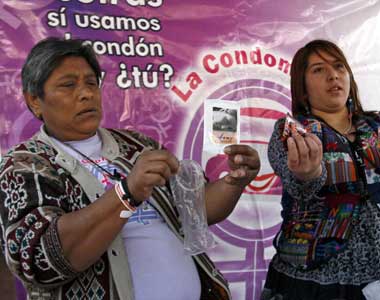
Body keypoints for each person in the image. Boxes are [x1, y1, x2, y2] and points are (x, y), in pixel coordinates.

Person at [0, 37, 261, 300]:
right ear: (34, 100)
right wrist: (127, 194)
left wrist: (233, 182)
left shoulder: (136, 145)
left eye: (91, 83)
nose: (86, 93)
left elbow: (196, 210)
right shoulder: (25, 165)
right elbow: (42, 260)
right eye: (68, 85)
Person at [261, 39, 380, 300]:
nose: (333, 75)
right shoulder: (295, 131)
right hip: (318, 277)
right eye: (318, 69)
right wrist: (307, 175)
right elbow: (297, 183)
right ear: (303, 88)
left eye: (339, 66)